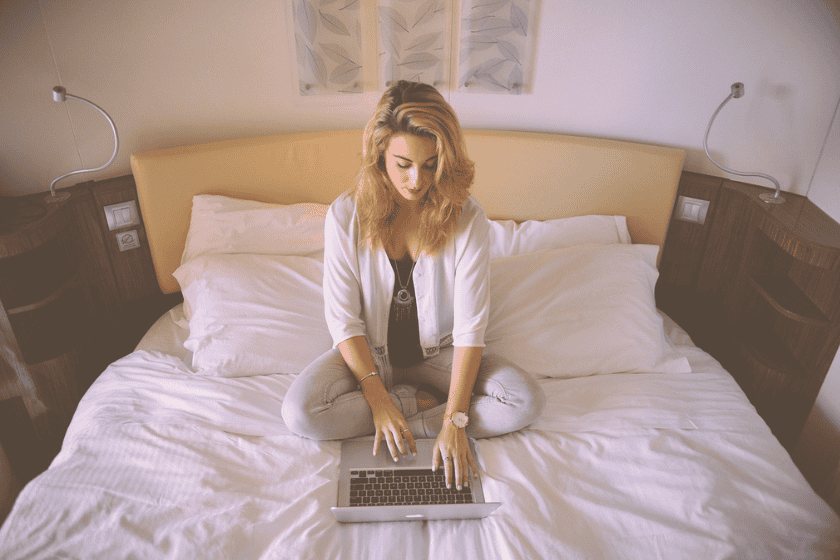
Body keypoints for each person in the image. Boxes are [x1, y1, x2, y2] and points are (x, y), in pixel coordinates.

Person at [282, 80, 544, 491]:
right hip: (372, 357)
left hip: (441, 353)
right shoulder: (345, 215)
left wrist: (455, 421)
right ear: (379, 155)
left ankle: (427, 417)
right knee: (301, 413)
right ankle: (415, 406)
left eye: (430, 164)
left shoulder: (468, 218)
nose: (416, 180)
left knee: (524, 400)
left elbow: (471, 328)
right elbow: (343, 319)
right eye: (403, 164)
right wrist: (379, 399)